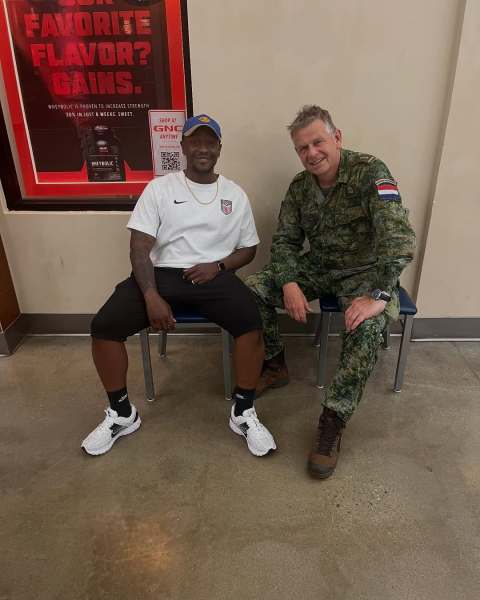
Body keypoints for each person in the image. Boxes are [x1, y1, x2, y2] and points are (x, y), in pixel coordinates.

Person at [82, 114, 276, 458]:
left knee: (252, 323)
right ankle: (122, 414)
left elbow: (249, 248)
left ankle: (243, 412)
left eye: (210, 142)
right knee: (104, 326)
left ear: (219, 148)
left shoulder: (234, 194)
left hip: (214, 276)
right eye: (195, 141)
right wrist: (151, 295)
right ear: (183, 146)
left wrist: (219, 266)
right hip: (161, 275)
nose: (203, 148)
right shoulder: (160, 188)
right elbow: (139, 247)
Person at [246, 105, 415, 479]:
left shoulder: (370, 172)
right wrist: (289, 282)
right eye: (302, 148)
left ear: (337, 138)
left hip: (364, 274)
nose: (312, 153)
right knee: (252, 290)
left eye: (318, 142)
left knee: (367, 328)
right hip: (320, 266)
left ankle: (333, 421)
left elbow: (398, 239)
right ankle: (274, 364)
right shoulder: (300, 187)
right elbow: (285, 240)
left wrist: (379, 296)